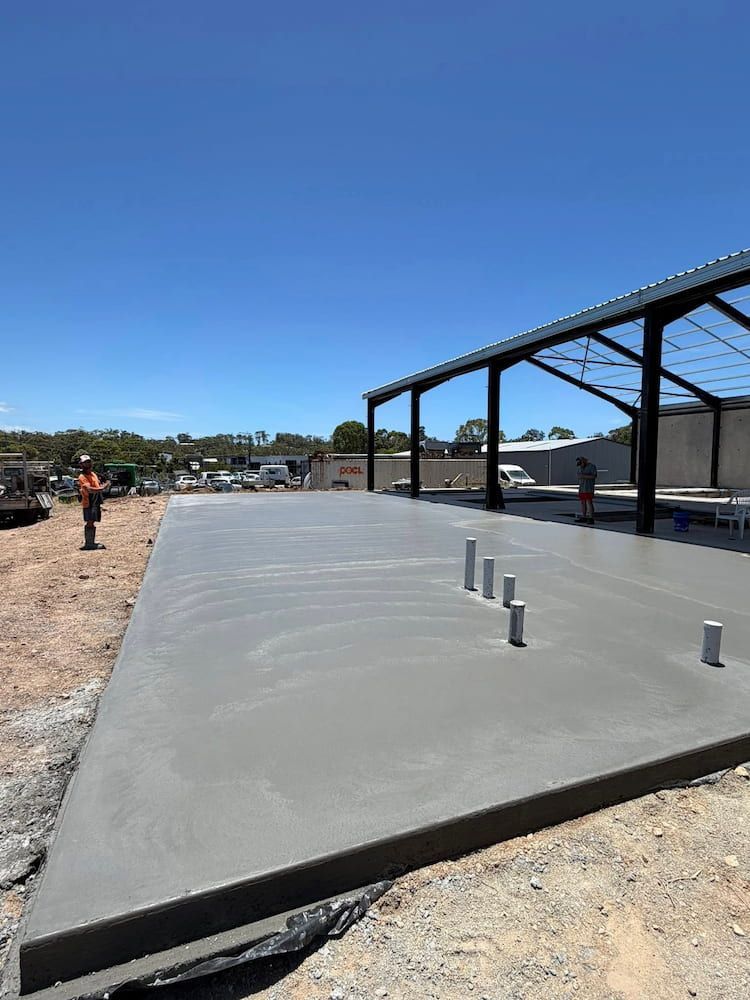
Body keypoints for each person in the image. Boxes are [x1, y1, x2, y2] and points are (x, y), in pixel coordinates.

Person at [77, 455, 110, 550]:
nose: (88, 464)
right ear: (81, 465)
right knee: (90, 521)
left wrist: (103, 484)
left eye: (89, 462)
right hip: (89, 501)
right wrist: (102, 488)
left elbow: (97, 483)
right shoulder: (82, 477)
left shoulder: (93, 474)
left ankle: (91, 542)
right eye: (85, 462)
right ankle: (89, 544)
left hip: (95, 500)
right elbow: (89, 489)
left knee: (93, 520)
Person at [576, 455, 597, 524]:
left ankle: (591, 517)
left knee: (589, 502)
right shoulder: (580, 468)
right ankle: (584, 516)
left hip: (588, 487)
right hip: (582, 487)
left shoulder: (592, 466)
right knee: (583, 502)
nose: (580, 465)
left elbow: (594, 476)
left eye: (581, 463)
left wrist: (584, 476)